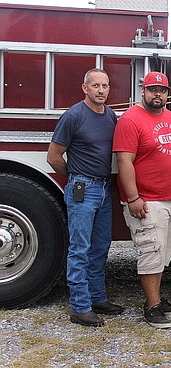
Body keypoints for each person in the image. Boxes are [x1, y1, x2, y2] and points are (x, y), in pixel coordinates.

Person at [113, 71, 171, 329]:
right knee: (151, 252)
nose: (157, 94)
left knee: (164, 253)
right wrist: (134, 197)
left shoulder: (169, 116)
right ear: (143, 92)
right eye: (152, 90)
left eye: (162, 90)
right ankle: (151, 307)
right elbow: (124, 160)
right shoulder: (130, 119)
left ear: (168, 93)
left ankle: (157, 299)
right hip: (147, 200)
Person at [47, 68, 122, 327]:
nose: (101, 90)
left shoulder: (111, 115)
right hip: (83, 189)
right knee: (80, 248)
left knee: (100, 247)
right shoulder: (73, 116)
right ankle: (80, 307)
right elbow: (54, 156)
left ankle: (98, 298)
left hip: (103, 189)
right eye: (96, 86)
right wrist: (76, 177)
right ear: (85, 88)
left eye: (105, 86)